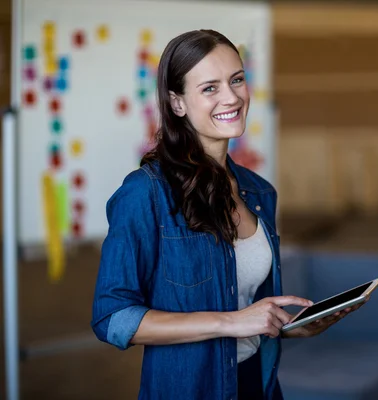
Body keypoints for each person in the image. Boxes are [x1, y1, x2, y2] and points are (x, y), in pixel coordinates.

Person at [90, 29, 362, 400]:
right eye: (210, 88)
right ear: (177, 103)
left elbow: (246, 304)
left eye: (236, 80)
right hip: (191, 389)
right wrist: (231, 323)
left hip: (258, 382)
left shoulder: (260, 192)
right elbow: (113, 318)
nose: (232, 97)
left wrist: (283, 326)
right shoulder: (145, 193)